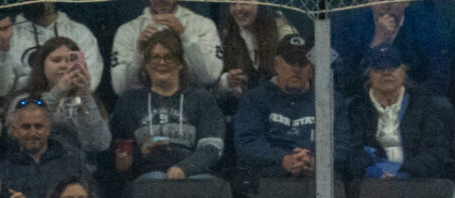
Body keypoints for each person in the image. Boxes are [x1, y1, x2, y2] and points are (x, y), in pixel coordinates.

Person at [110, 29, 226, 182]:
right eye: (155, 57)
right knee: (155, 181)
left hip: (192, 175)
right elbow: (118, 150)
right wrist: (138, 154)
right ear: (145, 65)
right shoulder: (129, 102)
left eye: (169, 57)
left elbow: (212, 147)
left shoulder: (202, 99)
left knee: (210, 185)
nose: (161, 63)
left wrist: (184, 168)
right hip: (147, 177)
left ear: (180, 64)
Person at [335, 45, 455, 181]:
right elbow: (353, 153)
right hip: (372, 186)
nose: (387, 72)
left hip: (417, 183)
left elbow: (436, 151)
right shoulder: (357, 109)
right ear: (369, 73)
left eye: (393, 66)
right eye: (379, 67)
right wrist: (375, 172)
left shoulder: (425, 105)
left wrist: (403, 172)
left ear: (403, 71)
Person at [0, 99, 92, 198]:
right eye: (26, 127)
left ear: (49, 129)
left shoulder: (73, 164)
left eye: (38, 126)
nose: (33, 133)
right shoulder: (2, 171)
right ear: (15, 131)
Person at [234, 35, 316, 179]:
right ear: (276, 64)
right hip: (269, 179)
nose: (296, 69)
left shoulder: (328, 100)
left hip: (317, 176)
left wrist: (315, 161)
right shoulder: (254, 98)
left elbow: (341, 143)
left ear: (310, 68)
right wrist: (284, 159)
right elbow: (247, 143)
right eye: (290, 62)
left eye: (302, 63)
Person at [330, 1, 450, 98]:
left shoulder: (425, 25)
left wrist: (413, 98)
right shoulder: (352, 27)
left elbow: (440, 75)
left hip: (415, 98)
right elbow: (346, 81)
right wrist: (377, 40)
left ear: (407, 2)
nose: (386, 3)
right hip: (365, 101)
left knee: (441, 105)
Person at [17, 36, 111, 156]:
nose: (64, 65)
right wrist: (58, 91)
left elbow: (100, 144)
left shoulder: (87, 100)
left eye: (70, 60)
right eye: (56, 60)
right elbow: (20, 134)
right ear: (42, 65)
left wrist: (85, 95)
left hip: (78, 169)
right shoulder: (23, 100)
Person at [109, 0, 222, 96]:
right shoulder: (127, 31)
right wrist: (139, 54)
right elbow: (120, 89)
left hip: (191, 101)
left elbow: (210, 77)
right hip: (144, 105)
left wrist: (185, 36)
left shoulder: (203, 25)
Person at [0, 4, 102, 99]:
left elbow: (90, 83)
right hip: (24, 113)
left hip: (71, 109)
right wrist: (3, 48)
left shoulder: (80, 33)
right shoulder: (5, 36)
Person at [215, 1, 296, 102]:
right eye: (233, 3)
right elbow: (215, 89)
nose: (238, 9)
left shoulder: (283, 33)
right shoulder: (228, 35)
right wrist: (226, 81)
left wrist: (253, 80)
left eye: (245, 2)